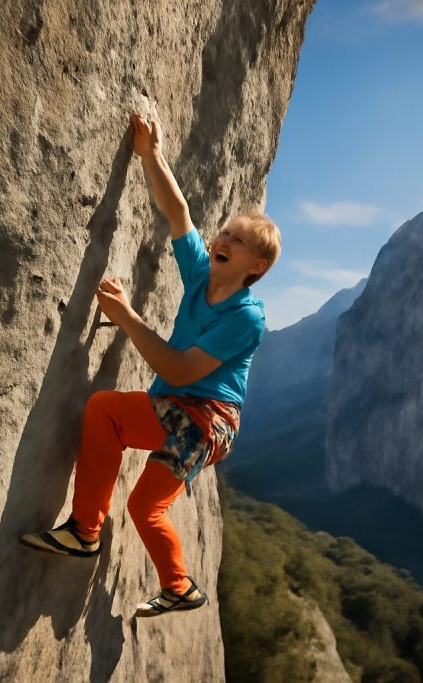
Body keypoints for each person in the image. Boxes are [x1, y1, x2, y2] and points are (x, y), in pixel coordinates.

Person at [21, 113, 280, 615]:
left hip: (208, 421)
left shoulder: (246, 318)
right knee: (124, 459)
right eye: (224, 232)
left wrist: (127, 316)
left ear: (257, 267)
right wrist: (151, 154)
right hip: (178, 407)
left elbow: (183, 370)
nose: (222, 240)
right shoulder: (204, 273)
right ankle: (146, 567)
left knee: (124, 457)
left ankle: (122, 553)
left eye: (237, 240)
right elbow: (178, 213)